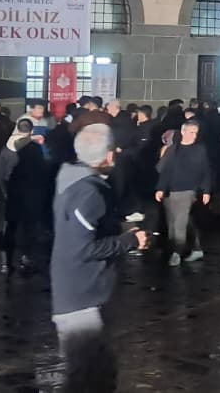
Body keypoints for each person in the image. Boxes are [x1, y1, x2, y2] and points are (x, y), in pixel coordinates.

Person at [51, 124, 149, 393]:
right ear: (108, 154)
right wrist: (130, 241)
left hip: (79, 292)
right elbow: (82, 248)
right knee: (89, 378)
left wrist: (118, 228)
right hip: (82, 298)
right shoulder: (88, 192)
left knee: (94, 374)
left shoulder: (73, 179)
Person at [155, 120, 213, 266]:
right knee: (175, 221)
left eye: (196, 133)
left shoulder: (200, 149)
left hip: (188, 190)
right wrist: (161, 188)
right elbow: (164, 171)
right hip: (170, 191)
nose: (194, 135)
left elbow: (206, 170)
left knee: (179, 222)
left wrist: (206, 190)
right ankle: (195, 248)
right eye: (191, 132)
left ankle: (176, 252)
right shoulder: (173, 149)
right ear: (183, 132)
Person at [0, 118, 51, 274]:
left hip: (13, 192)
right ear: (31, 130)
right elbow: (41, 171)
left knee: (10, 227)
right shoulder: (34, 148)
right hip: (31, 193)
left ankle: (6, 263)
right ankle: (26, 258)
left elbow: (0, 174)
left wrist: (5, 191)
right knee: (29, 227)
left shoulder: (6, 149)